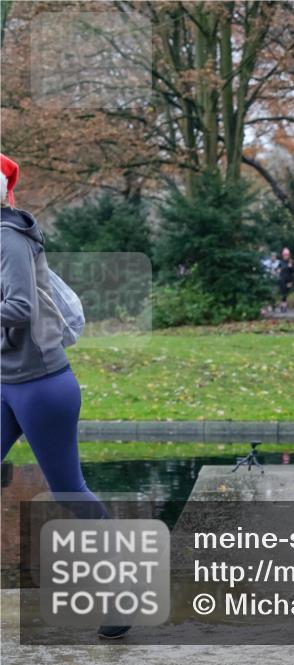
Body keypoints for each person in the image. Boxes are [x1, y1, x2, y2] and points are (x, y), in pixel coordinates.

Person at [0, 154, 129, 640]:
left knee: (71, 491)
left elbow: (18, 307)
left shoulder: (7, 237)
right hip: (6, 383)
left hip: (41, 387)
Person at [276, 247, 294, 313]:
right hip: (282, 279)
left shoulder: (291, 262)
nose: (286, 256)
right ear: (283, 255)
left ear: (289, 255)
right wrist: (278, 270)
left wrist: (291, 267)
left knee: (287, 293)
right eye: (284, 255)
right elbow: (277, 269)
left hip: (289, 279)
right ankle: (283, 306)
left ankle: (284, 305)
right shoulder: (281, 262)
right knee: (283, 293)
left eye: (287, 255)